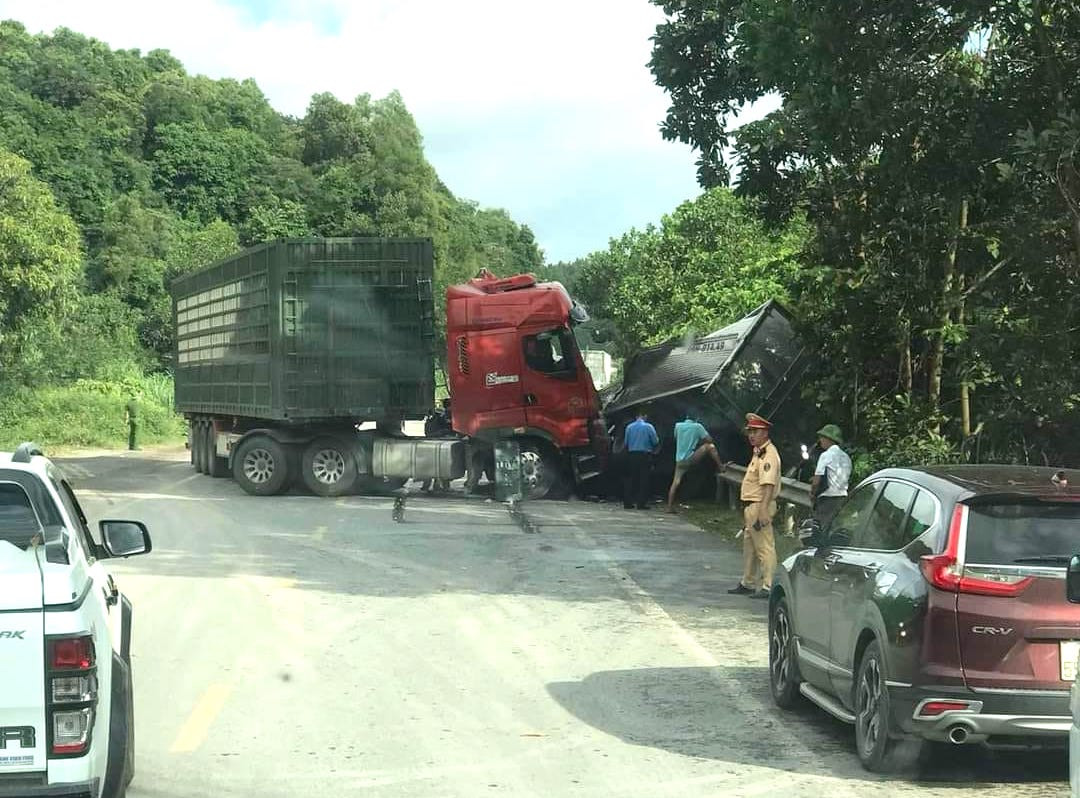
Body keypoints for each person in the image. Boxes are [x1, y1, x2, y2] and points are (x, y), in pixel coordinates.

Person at [728, 413, 780, 599]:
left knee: (764, 547)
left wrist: (764, 510)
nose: (751, 435)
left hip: (759, 505)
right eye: (750, 431)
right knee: (750, 547)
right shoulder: (759, 452)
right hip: (752, 505)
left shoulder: (769, 455)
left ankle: (769, 585)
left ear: (765, 433)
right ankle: (748, 582)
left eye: (755, 431)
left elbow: (768, 485)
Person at [666, 413, 723, 513]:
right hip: (690, 458)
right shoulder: (698, 426)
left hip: (679, 460)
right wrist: (699, 438)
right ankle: (721, 467)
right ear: (696, 418)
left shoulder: (677, 426)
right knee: (710, 446)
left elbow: (676, 438)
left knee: (675, 482)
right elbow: (709, 439)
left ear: (687, 417)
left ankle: (669, 507)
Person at [811, 424, 851, 525]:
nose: (820, 440)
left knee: (820, 529)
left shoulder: (826, 455)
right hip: (842, 499)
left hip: (827, 499)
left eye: (822, 437)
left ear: (829, 439)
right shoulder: (846, 458)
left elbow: (816, 481)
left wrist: (813, 494)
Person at [622, 408, 659, 510]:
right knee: (644, 479)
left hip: (632, 455)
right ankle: (641, 504)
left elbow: (626, 443)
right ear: (644, 415)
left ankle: (628, 503)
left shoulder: (629, 427)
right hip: (644, 455)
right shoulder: (649, 427)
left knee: (631, 479)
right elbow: (655, 441)